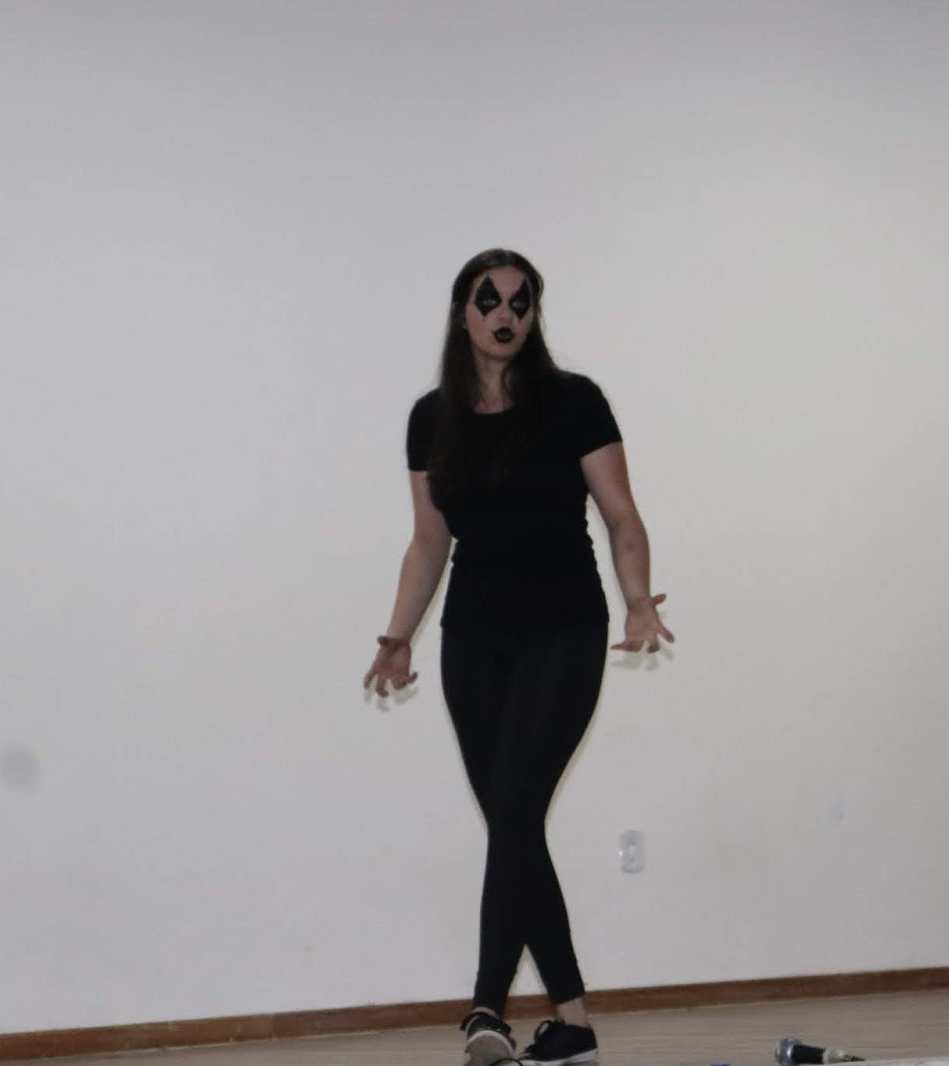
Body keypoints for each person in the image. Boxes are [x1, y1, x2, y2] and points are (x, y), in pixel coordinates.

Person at [364, 248, 674, 1066]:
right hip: (474, 639)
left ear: (534, 315)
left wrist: (639, 599)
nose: (505, 314)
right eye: (489, 299)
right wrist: (397, 637)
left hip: (564, 629)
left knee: (511, 813)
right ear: (461, 312)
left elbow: (622, 515)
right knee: (515, 824)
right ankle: (573, 1024)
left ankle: (485, 1007)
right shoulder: (431, 419)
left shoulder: (574, 402)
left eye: (520, 302)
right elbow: (429, 541)